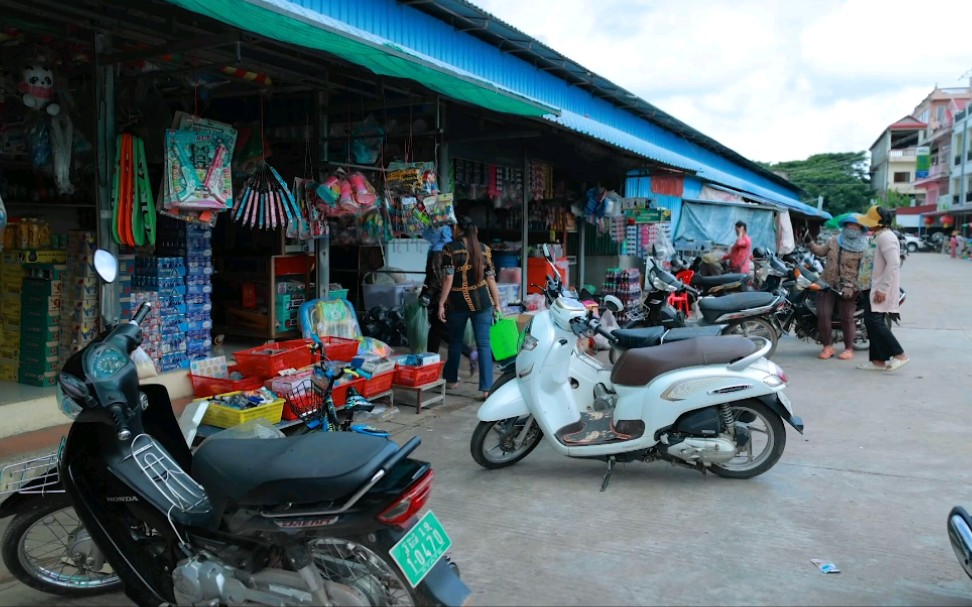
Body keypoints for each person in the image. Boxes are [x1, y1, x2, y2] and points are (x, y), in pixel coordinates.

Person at [437, 216, 502, 398]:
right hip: (482, 302)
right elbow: (490, 278)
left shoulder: (450, 248)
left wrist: (441, 302)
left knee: (456, 342)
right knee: (483, 344)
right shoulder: (484, 249)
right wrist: (497, 303)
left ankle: (452, 380)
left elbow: (448, 278)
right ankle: (487, 389)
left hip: (457, 303)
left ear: (458, 228)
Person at [806, 214, 868, 360]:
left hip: (848, 287)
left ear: (861, 228)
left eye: (856, 225)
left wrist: (852, 286)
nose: (852, 227)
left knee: (846, 318)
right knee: (822, 314)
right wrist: (809, 242)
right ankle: (827, 347)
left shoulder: (864, 247)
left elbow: (864, 272)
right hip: (827, 283)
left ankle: (848, 348)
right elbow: (820, 251)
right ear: (845, 226)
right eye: (849, 224)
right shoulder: (834, 240)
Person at [856, 205, 909, 372]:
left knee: (875, 322)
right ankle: (878, 361)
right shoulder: (878, 236)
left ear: (879, 222)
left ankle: (899, 354)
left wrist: (883, 289)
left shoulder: (886, 237)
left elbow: (893, 264)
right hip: (870, 287)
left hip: (878, 288)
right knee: (871, 323)